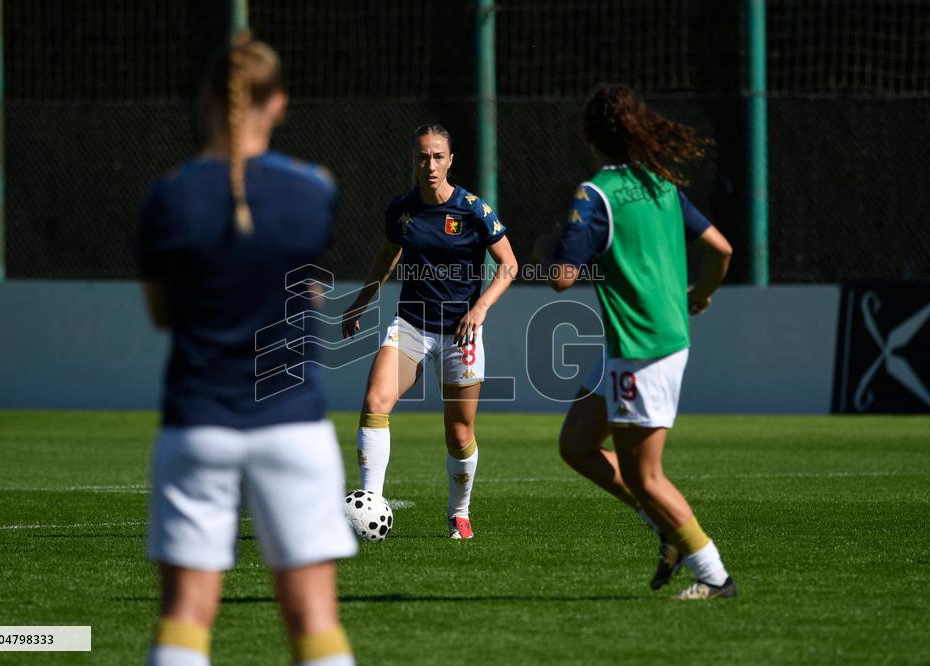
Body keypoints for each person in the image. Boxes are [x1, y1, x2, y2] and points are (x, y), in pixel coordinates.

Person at [138, 34, 357, 665]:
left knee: (185, 618)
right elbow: (303, 284)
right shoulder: (313, 190)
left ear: (207, 101)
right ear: (279, 103)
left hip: (197, 422)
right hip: (292, 424)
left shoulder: (168, 196)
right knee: (314, 620)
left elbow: (162, 314)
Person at [536, 85, 736, 600]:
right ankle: (666, 530)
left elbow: (561, 278)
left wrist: (556, 245)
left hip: (641, 348)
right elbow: (722, 249)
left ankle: (713, 575)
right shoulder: (660, 183)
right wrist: (701, 295)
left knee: (645, 477)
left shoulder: (595, 194)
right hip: (640, 341)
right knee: (576, 445)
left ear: (590, 136)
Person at [341, 124, 518, 539]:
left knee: (459, 432)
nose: (431, 165)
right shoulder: (401, 210)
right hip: (412, 324)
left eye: (438, 157)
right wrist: (361, 301)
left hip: (460, 333)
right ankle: (369, 504)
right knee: (375, 401)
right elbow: (388, 255)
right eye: (423, 157)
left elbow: (509, 264)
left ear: (451, 160)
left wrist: (480, 308)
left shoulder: (473, 209)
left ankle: (460, 512)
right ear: (413, 160)